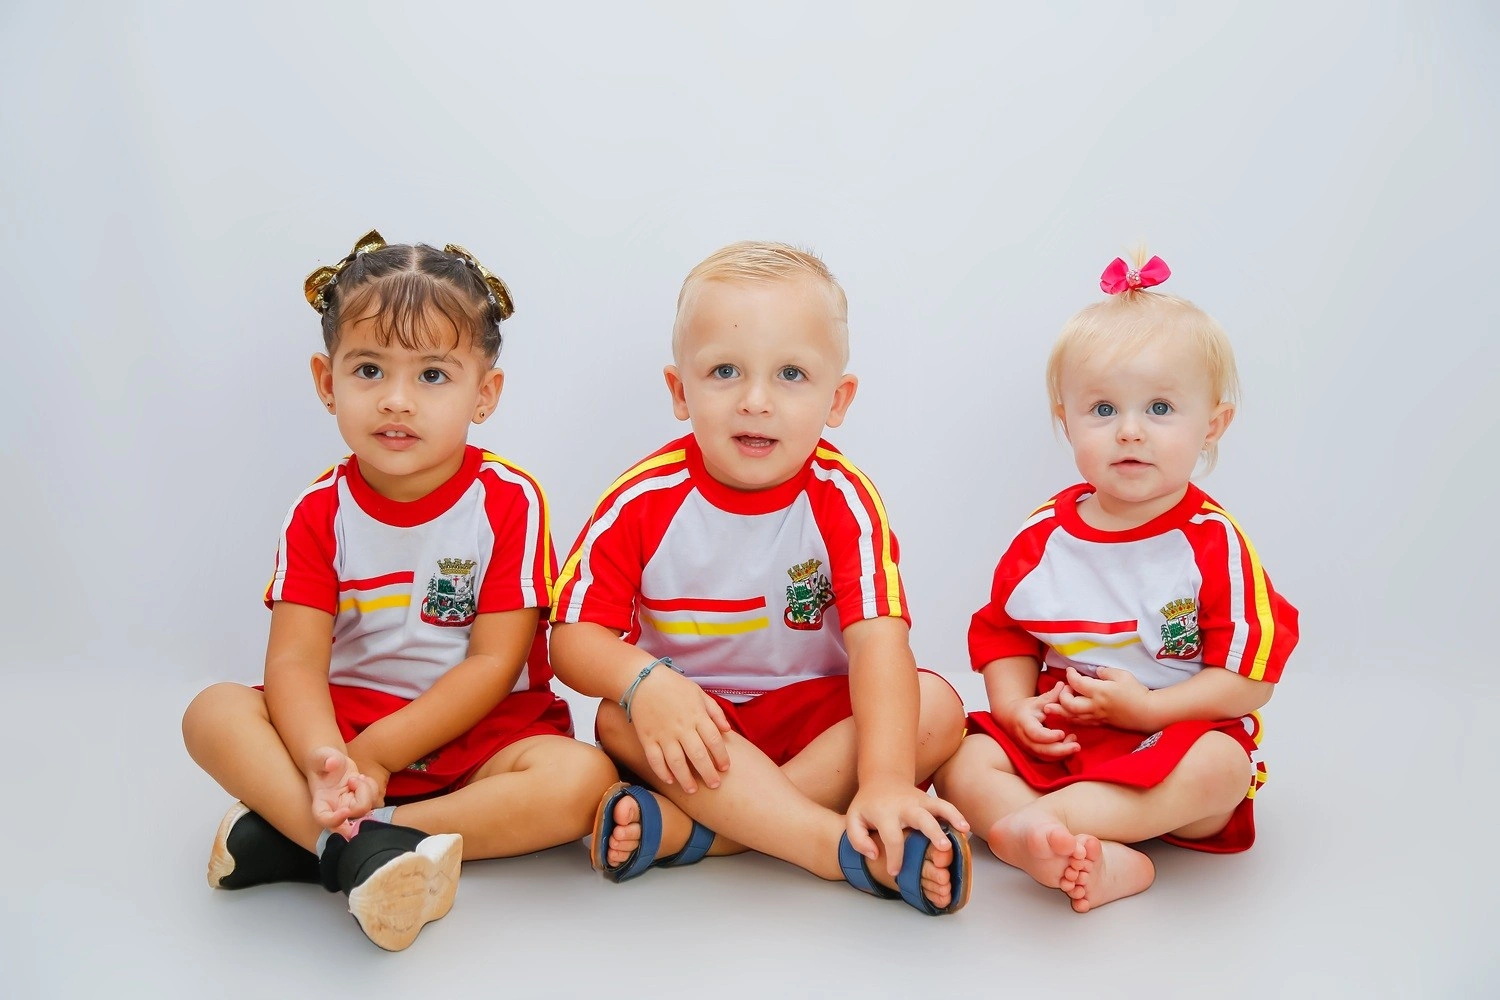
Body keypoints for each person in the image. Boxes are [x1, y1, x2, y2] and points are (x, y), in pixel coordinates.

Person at [182, 231, 617, 950]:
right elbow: (293, 666)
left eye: (432, 377)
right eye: (368, 370)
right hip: (346, 730)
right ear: (328, 383)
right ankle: (352, 846)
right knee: (211, 712)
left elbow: (493, 664)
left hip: (479, 739)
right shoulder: (318, 511)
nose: (396, 400)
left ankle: (335, 840)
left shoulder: (509, 500)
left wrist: (381, 757)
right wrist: (331, 760)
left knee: (582, 779)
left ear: (486, 394)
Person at [549, 241, 972, 915]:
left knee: (939, 706)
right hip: (694, 723)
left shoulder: (845, 497)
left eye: (791, 375)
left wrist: (888, 782)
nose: (755, 401)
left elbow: (879, 645)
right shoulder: (641, 499)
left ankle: (708, 833)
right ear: (679, 390)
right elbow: (570, 639)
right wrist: (646, 683)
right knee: (614, 718)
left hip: (818, 719)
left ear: (838, 399)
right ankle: (833, 848)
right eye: (724, 371)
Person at [934, 252, 1299, 912]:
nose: (1129, 430)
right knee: (958, 760)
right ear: (1065, 419)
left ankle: (1037, 830)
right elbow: (1006, 636)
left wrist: (1149, 710)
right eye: (1103, 409)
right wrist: (1019, 710)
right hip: (1066, 739)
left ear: (1211, 425)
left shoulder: (1214, 544)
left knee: (1222, 771)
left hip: (1171, 736)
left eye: (1160, 408)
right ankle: (1075, 846)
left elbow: (1252, 678)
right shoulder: (1044, 535)